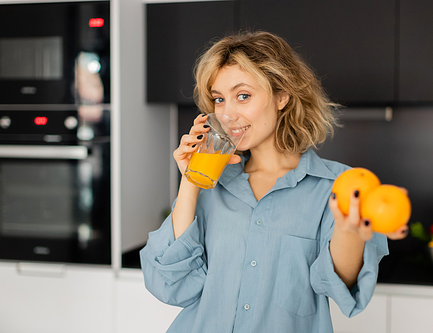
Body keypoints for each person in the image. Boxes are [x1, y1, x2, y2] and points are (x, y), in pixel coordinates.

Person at [140, 30, 407, 333]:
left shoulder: (337, 187)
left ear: (282, 96)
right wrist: (190, 181)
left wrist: (351, 233)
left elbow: (338, 287)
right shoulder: (210, 185)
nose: (227, 114)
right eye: (218, 99)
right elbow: (170, 284)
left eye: (243, 96)